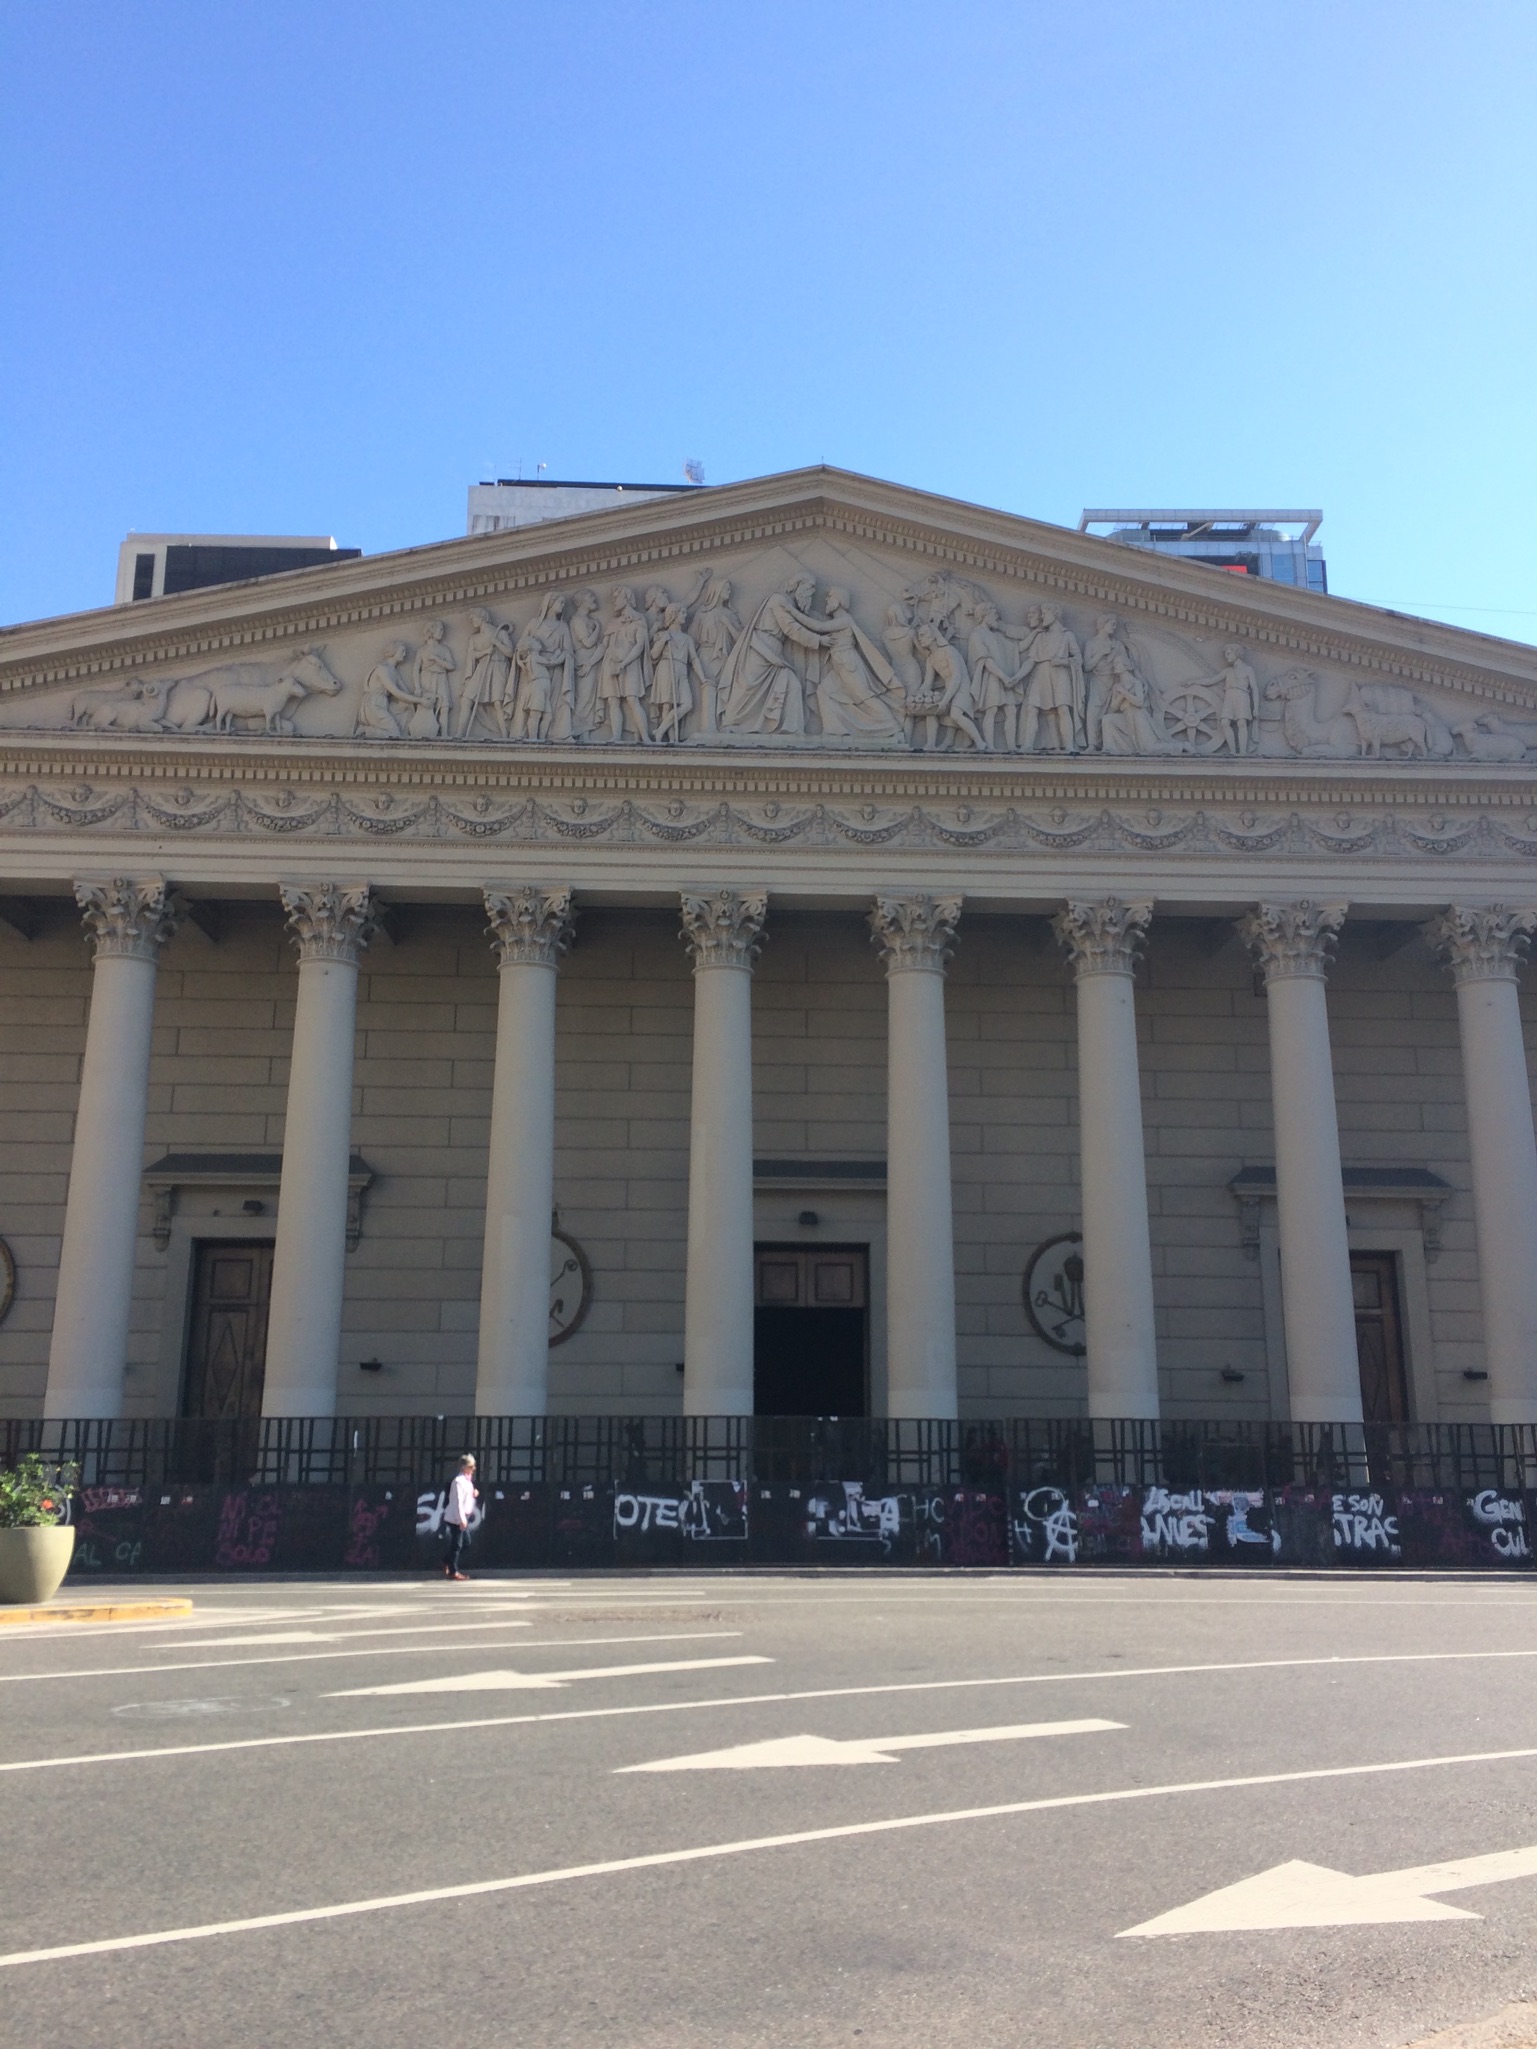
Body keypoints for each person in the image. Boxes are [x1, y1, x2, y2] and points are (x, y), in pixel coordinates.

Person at [442, 1454, 479, 1580]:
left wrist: (474, 1493)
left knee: (466, 1543)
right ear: (463, 1467)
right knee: (457, 1544)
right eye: (471, 1466)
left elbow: (467, 1496)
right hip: (456, 1517)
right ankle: (453, 1570)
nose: (473, 1469)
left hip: (463, 1516)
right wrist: (461, 1519)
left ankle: (446, 1561)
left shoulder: (467, 1481)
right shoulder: (458, 1482)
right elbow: (457, 1501)